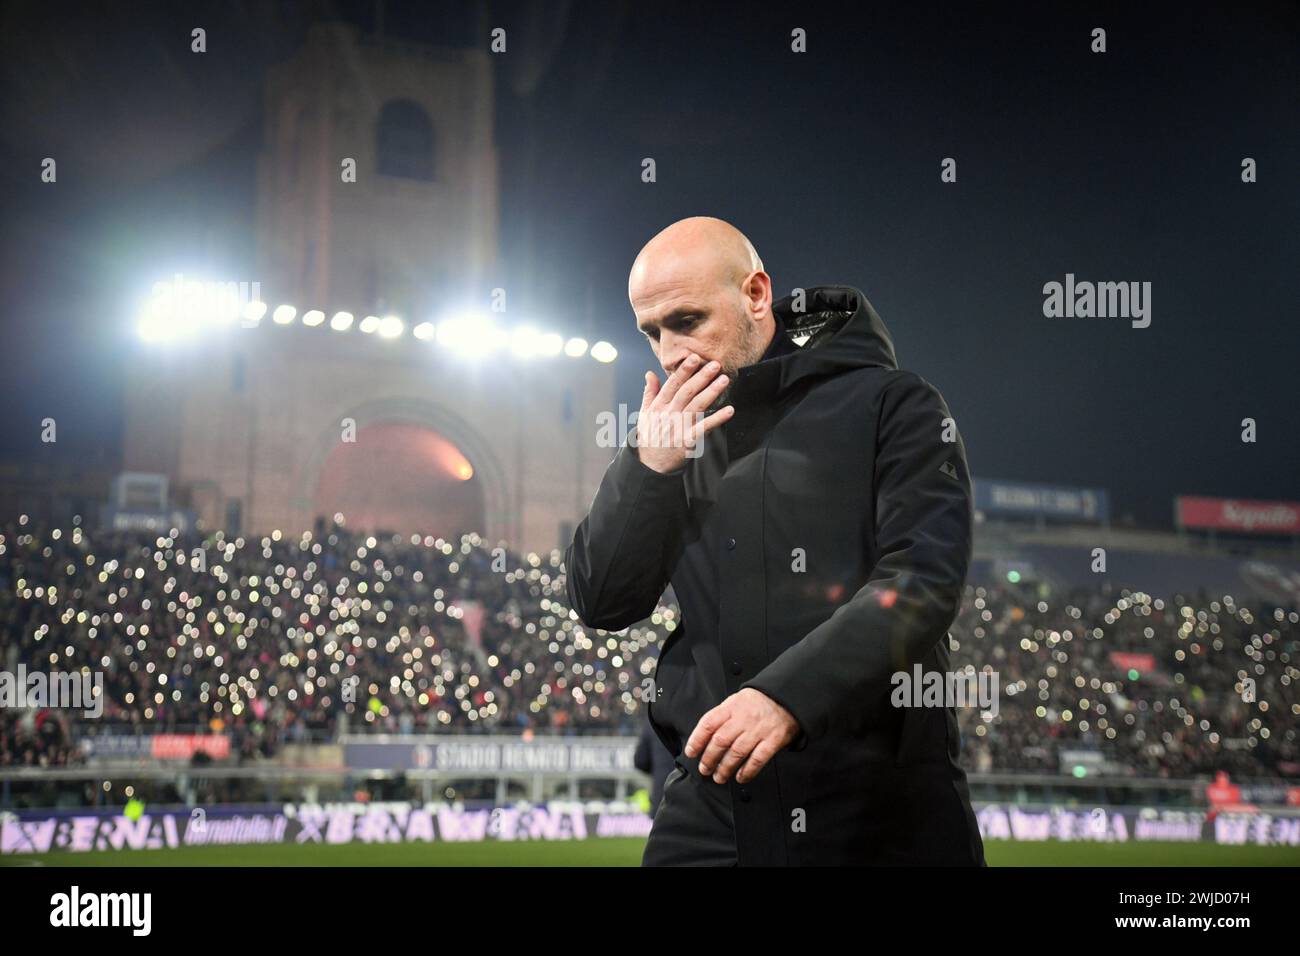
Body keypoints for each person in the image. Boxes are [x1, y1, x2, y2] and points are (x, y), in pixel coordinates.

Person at [565, 216, 985, 865]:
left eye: (687, 320)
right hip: (713, 805)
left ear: (756, 294)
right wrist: (645, 470)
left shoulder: (896, 405)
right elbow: (602, 602)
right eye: (651, 332)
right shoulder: (675, 437)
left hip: (879, 812)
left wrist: (786, 696)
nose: (669, 351)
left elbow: (921, 582)